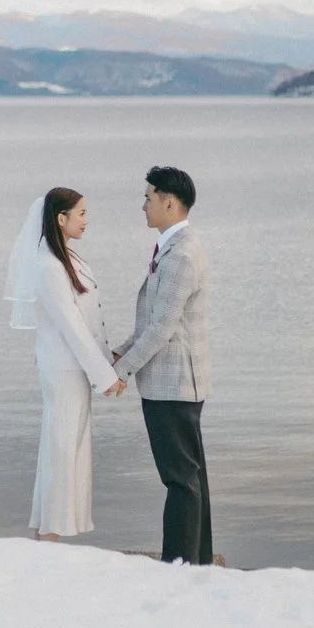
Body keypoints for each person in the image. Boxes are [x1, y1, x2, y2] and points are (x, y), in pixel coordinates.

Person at [5, 186, 127, 540]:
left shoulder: (67, 259)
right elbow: (72, 327)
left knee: (69, 448)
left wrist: (108, 363)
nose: (87, 221)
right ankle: (50, 535)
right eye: (82, 213)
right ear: (62, 219)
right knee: (62, 449)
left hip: (74, 369)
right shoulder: (48, 266)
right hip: (63, 370)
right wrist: (106, 377)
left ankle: (54, 533)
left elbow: (89, 322)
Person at [111, 166, 213, 565]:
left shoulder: (182, 255)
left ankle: (180, 566)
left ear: (169, 202)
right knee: (191, 477)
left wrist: (121, 372)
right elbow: (155, 321)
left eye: (148, 198)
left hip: (173, 385)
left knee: (180, 480)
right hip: (175, 383)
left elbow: (162, 330)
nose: (143, 206)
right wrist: (120, 352)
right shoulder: (174, 248)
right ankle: (198, 562)